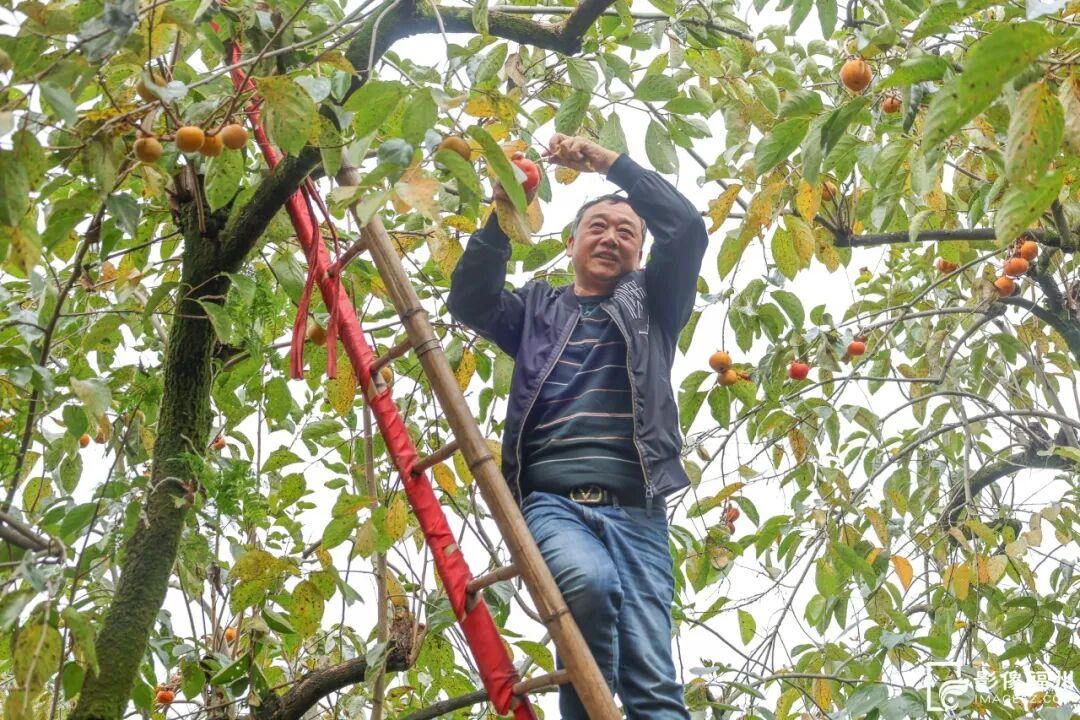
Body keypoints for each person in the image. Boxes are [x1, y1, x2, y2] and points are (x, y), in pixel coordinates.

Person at [447, 133, 707, 719]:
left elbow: (687, 230)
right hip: (552, 502)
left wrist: (610, 162)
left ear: (640, 254)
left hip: (637, 513)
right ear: (571, 245)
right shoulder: (538, 308)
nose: (612, 237)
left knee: (653, 683)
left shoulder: (655, 304)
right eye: (598, 226)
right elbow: (469, 300)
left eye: (627, 232)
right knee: (586, 588)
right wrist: (502, 211)